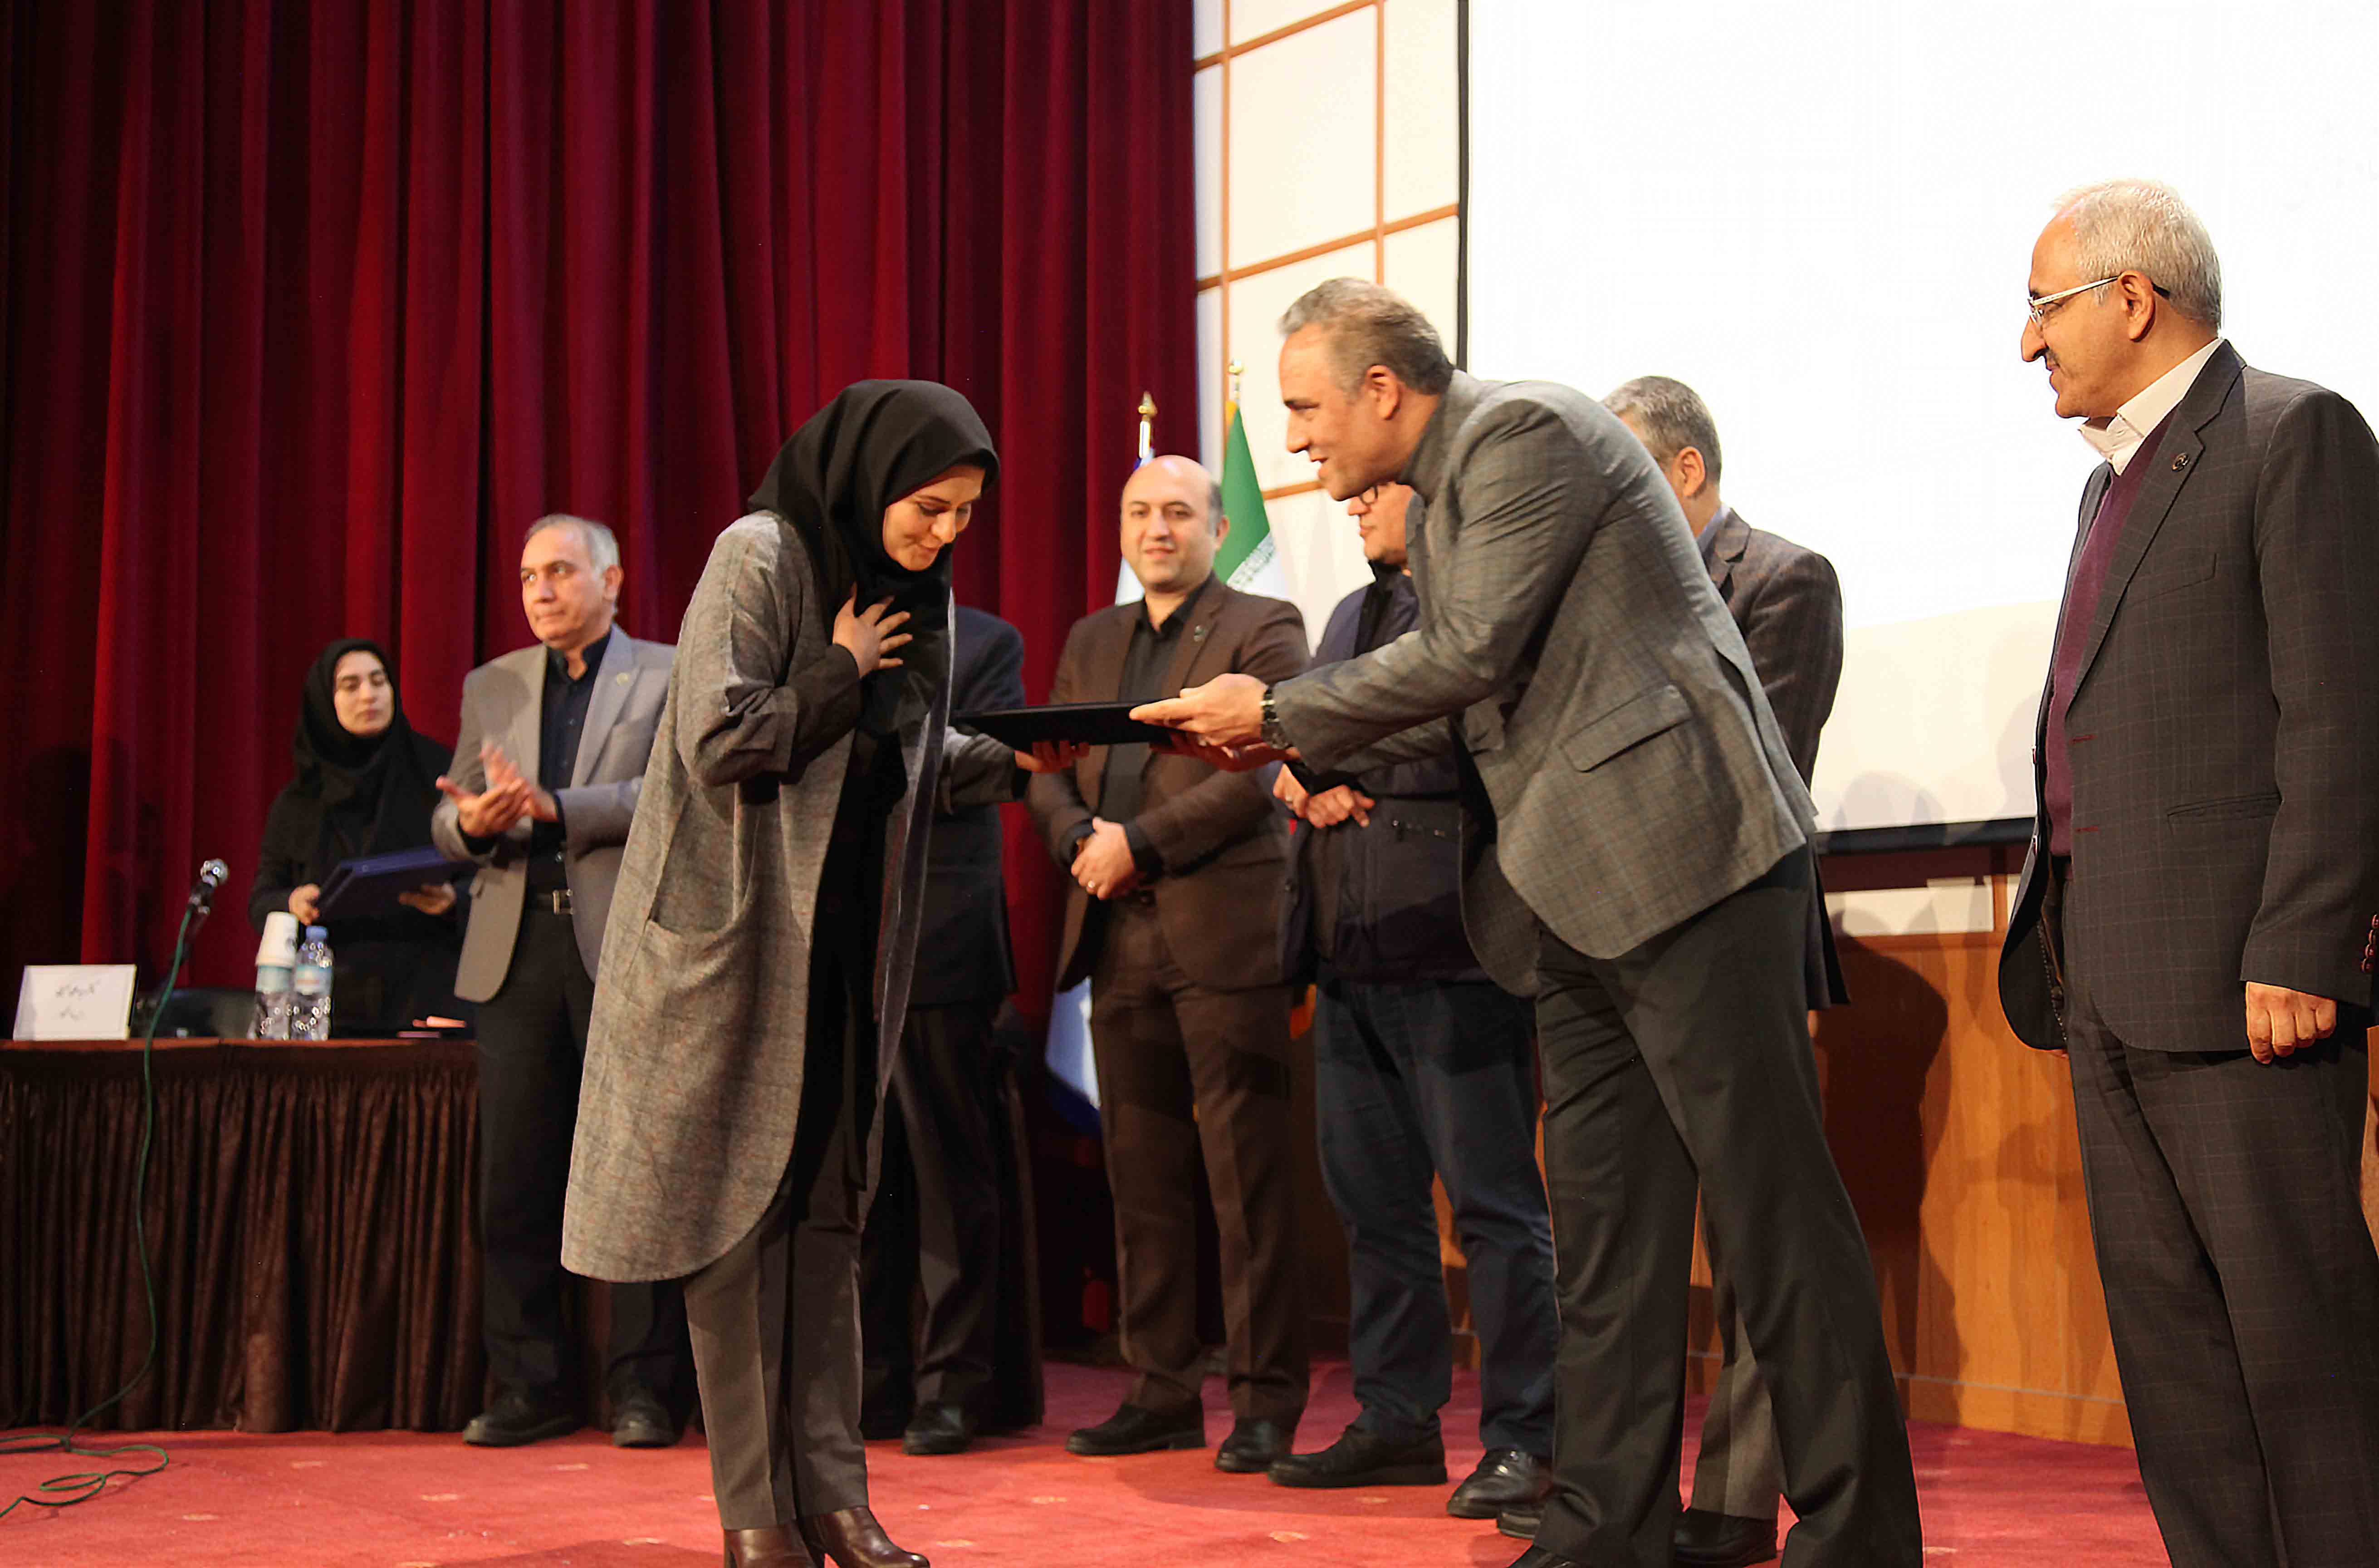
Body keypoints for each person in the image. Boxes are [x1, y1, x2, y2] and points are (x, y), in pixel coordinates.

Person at [1135, 279, 1921, 1568]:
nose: (1296, 439)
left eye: (1305, 406)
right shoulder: (1450, 490)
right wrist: (1296, 752)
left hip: (1693, 865)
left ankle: (1859, 1537)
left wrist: (1274, 713)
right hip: (1571, 896)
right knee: (1609, 1244)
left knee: (1773, 1218)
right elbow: (1470, 698)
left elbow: (1469, 654)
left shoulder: (1520, 433)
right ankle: (1601, 1532)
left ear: (1381, 387)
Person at [558, 381, 1066, 1568]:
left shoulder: (916, 595)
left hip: (842, 951)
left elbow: (912, 752)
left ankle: (834, 1500)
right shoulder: (763, 554)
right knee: (738, 1232)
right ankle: (756, 1517)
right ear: (871, 473)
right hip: (733, 948)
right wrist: (839, 667)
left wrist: (1047, 752)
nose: (944, 533)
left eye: (964, 514)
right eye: (928, 507)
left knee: (828, 1223)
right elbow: (720, 735)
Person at [1996, 179, 2379, 1568]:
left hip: (2244, 988)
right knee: (2174, 1364)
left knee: (2302, 1357)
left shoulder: (2291, 433)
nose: (2025, 343)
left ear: (2130, 297)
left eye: (2041, 308)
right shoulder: (2105, 482)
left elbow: (2340, 712)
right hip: (2102, 982)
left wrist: (2300, 943)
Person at [1485, 374, 1837, 1568]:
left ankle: (1734, 1504)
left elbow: (1753, 758)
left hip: (1724, 933)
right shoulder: (1593, 588)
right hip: (1600, 937)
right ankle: (1615, 1502)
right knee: (1621, 1246)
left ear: (1684, 470)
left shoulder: (1784, 578)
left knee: (1753, 1242)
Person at [1263, 480, 1557, 1520]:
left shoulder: (1478, 601)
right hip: (1351, 948)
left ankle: (1528, 1435)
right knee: (1374, 1206)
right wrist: (1295, 773)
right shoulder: (1351, 613)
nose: (1352, 503)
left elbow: (1459, 734)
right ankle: (1398, 1418)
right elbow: (1298, 746)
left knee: (1493, 1208)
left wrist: (1320, 751)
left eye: (1372, 488)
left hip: (1456, 948)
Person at [1026, 454, 1311, 1475]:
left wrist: (1137, 846)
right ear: (1120, 528)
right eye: (1140, 511)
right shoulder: (1091, 637)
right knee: (1141, 1179)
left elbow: (1257, 773)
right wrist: (1079, 841)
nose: (1157, 528)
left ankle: (1265, 1403)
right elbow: (1047, 766)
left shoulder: (1264, 623)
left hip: (1220, 929)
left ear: (1217, 528)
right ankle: (1159, 1393)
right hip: (1113, 932)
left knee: (1246, 1184)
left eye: (1179, 512)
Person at [429, 514, 689, 1450]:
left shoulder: (665, 672)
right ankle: (528, 1384)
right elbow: (449, 817)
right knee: (515, 1178)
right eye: (527, 576)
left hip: (621, 949)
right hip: (515, 953)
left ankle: (644, 1389)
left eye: (559, 572)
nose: (539, 591)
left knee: (640, 1173)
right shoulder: (493, 683)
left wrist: (557, 807)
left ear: (610, 581)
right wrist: (474, 824)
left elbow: (677, 795)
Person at [859, 602, 1042, 1456]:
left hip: (940, 940)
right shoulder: (834, 632)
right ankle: (871, 1383)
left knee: (946, 1180)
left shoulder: (987, 640)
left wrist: (861, 754)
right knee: (858, 1185)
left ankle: (952, 1387)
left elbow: (994, 765)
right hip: (842, 941)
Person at [249, 638, 463, 1033]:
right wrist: (292, 902)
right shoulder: (300, 800)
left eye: (379, 682)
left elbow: (486, 876)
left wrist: (453, 900)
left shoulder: (437, 772)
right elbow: (262, 900)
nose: (369, 695)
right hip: (325, 999)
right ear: (324, 701)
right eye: (351, 685)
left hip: (429, 987)